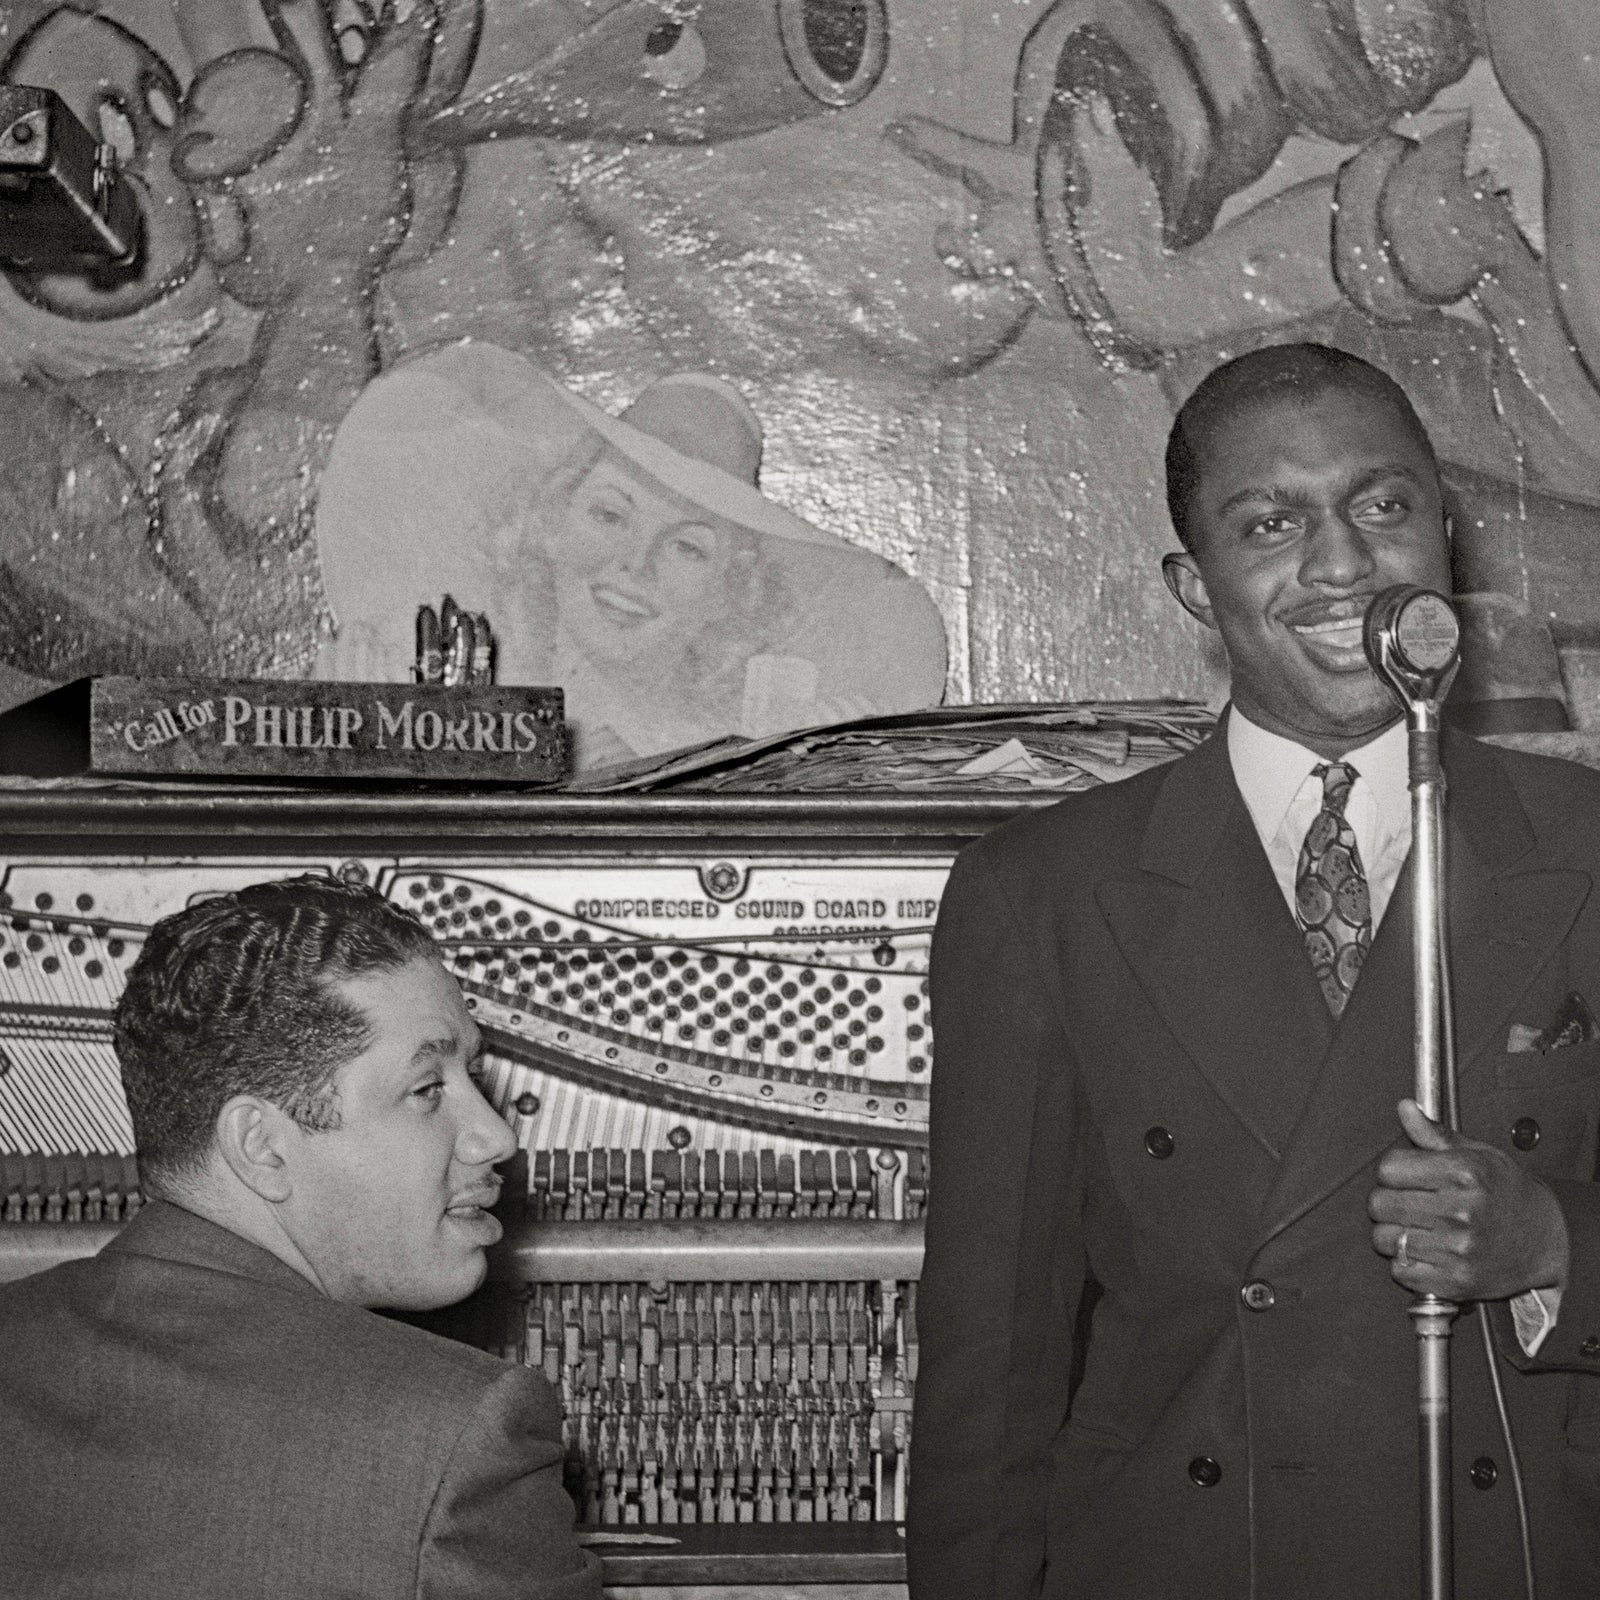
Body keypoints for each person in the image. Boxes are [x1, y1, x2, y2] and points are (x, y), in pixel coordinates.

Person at [907, 342, 1600, 1599]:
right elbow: (988, 1367)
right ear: (1193, 583)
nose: (1341, 564)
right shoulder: (1044, 891)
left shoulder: (1587, 846)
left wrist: (1554, 1240)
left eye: (1382, 506)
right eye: (1271, 523)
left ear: (1443, 537)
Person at [0, 875, 600, 1600]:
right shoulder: (456, 1434)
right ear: (263, 1147)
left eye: (471, 1074)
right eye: (428, 1089)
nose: (496, 1136)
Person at [312, 343, 948, 766]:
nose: (632, 567)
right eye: (610, 514)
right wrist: (357, 754)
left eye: (686, 547)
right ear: (553, 522)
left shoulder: (747, 739)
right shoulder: (455, 683)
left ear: (730, 589)